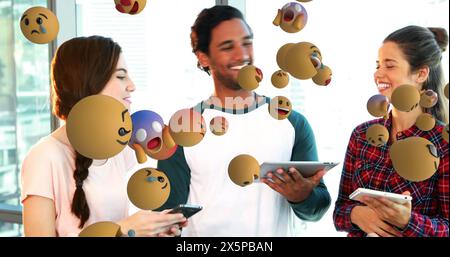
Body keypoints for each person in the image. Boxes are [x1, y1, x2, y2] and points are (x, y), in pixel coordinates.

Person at [157, 5, 331, 236]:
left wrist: (302, 196)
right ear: (203, 58)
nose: (243, 55)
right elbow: (166, 214)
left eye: (247, 43)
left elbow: (317, 208)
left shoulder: (292, 123)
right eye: (228, 47)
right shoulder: (183, 128)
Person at [21, 36, 187, 237]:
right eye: (121, 76)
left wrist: (151, 230)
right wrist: (124, 230)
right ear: (90, 80)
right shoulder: (44, 157)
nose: (132, 85)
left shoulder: (119, 150)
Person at [333, 25, 449, 237]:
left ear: (421, 73)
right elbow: (340, 211)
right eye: (378, 65)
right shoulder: (361, 135)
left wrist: (407, 221)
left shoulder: (443, 143)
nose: (378, 73)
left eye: (390, 66)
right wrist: (356, 214)